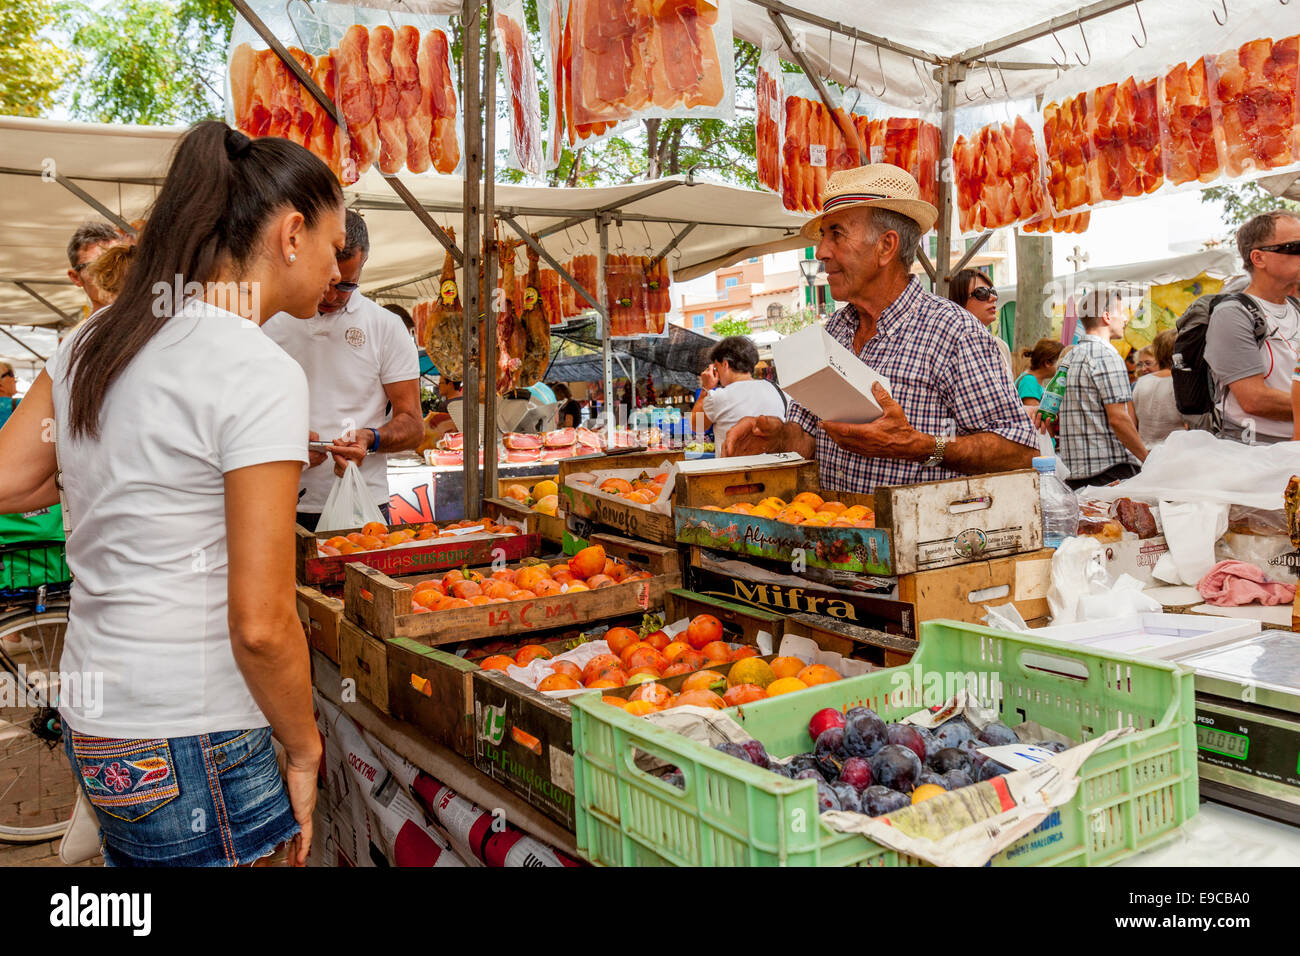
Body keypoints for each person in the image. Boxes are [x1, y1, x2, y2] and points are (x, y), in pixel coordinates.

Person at [0, 122, 343, 866]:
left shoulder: (96, 339)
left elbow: (11, 478)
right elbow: (260, 623)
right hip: (200, 732)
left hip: (99, 721)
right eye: (333, 244)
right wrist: (303, 744)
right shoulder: (256, 370)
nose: (335, 267)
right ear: (291, 234)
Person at [726, 165, 1037, 491]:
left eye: (836, 233)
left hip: (915, 538)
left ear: (887, 246)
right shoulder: (832, 331)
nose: (821, 252)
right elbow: (808, 439)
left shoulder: (955, 333)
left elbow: (1021, 452)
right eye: (823, 237)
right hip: (838, 533)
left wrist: (921, 447)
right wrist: (778, 436)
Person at [264, 210, 423, 531]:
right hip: (277, 496)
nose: (332, 295)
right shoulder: (269, 318)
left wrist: (372, 438)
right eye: (329, 281)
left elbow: (413, 425)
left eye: (347, 285)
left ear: (363, 268)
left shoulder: (386, 327)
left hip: (362, 499)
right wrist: (283, 441)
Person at [1205, 210, 1300, 444]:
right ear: (1258, 258)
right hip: (1256, 453)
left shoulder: (1296, 307)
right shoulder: (1233, 314)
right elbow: (1254, 399)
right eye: (1294, 247)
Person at [1055, 288, 1148, 488]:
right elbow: (1118, 418)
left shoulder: (1070, 356)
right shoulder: (1105, 354)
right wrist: (1146, 459)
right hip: (1110, 469)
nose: (1125, 318)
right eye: (1121, 312)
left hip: (1075, 472)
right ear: (1106, 316)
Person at [691, 335, 785, 456]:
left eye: (716, 366)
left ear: (725, 364)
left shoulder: (718, 397)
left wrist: (706, 388)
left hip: (733, 472)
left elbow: (697, 426)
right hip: (777, 471)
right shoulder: (777, 390)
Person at [948, 268, 1012, 380]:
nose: (993, 298)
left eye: (993, 292)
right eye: (982, 292)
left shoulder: (1001, 346)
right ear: (960, 300)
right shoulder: (952, 349)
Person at [1131, 329, 1184, 447]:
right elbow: (1189, 425)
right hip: (1177, 451)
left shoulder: (1140, 383)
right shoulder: (1180, 382)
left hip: (1146, 454)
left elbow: (1132, 424)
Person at [65, 221, 124, 317]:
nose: (111, 273)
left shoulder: (152, 321)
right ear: (76, 277)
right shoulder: (84, 332)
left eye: (118, 262)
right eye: (96, 266)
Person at [1015, 339, 1066, 408]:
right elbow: (1034, 414)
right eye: (1061, 362)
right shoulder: (1029, 381)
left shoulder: (1034, 382)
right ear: (1047, 363)